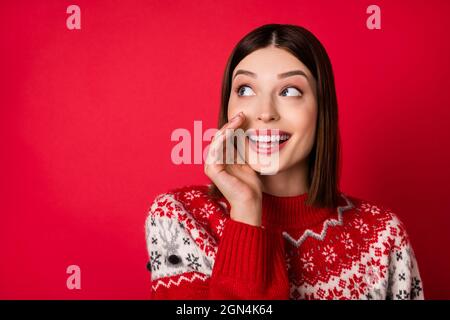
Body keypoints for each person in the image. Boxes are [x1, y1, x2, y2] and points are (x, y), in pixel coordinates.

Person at [144, 23, 424, 300]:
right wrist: (245, 211)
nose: (265, 112)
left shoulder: (383, 236)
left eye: (289, 91)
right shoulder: (181, 218)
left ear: (321, 109)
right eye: (245, 90)